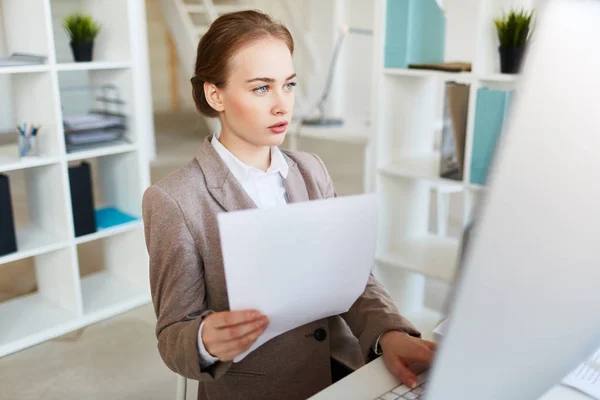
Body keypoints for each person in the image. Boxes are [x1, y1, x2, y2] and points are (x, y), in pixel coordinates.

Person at [142, 10, 436, 400]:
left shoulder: (311, 170)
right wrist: (203, 339)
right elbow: (173, 334)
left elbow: (351, 279)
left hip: (344, 374)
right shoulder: (175, 201)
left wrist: (390, 333)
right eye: (261, 88)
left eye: (289, 84)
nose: (283, 105)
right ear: (216, 95)